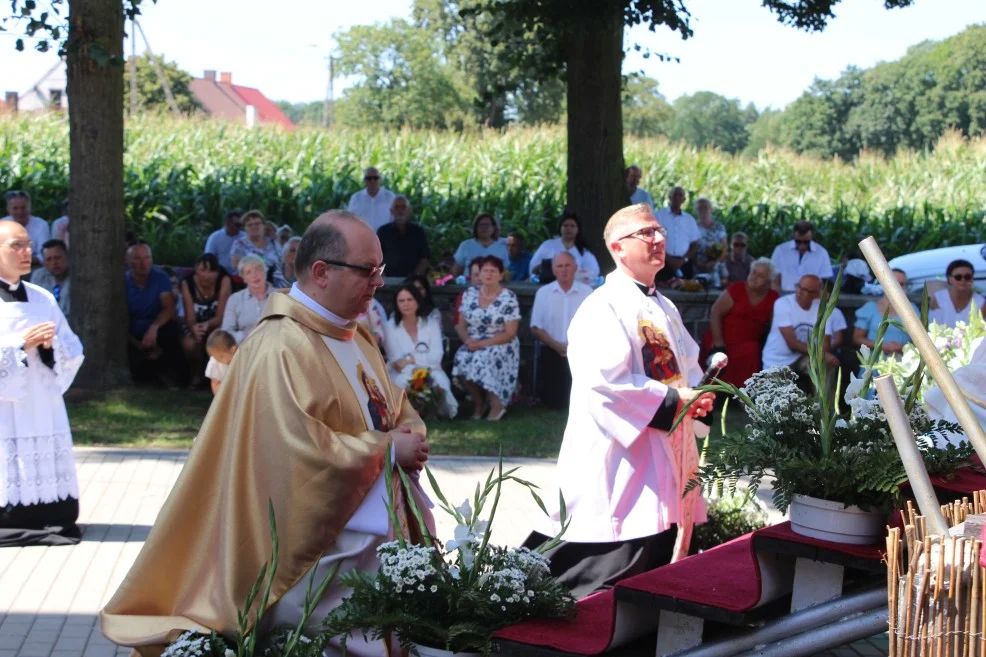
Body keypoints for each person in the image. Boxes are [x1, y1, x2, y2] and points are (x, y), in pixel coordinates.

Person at [101, 211, 433, 657]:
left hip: (373, 533)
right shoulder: (279, 346)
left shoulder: (357, 336)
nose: (378, 282)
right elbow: (293, 454)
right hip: (314, 555)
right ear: (321, 272)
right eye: (368, 271)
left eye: (380, 270)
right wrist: (388, 448)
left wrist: (409, 429)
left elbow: (391, 403)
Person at [523, 203, 714, 599]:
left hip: (666, 448)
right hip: (622, 456)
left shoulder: (665, 306)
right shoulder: (601, 307)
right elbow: (603, 384)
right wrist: (675, 401)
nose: (659, 238)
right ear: (617, 247)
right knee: (613, 558)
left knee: (661, 552)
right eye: (646, 233)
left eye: (660, 231)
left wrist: (698, 397)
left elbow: (687, 366)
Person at [0, 220, 84, 548]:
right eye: (16, 246)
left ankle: (51, 515)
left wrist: (52, 347)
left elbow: (73, 349)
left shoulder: (41, 297)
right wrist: (19, 347)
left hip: (41, 399)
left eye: (28, 245)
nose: (26, 252)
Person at [452, 255, 520, 421]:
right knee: (462, 358)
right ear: (479, 274)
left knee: (484, 358)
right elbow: (460, 325)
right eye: (485, 270)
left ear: (501, 275)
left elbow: (510, 332)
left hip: (501, 342)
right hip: (473, 341)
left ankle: (497, 404)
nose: (489, 274)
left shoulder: (508, 297)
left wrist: (482, 344)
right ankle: (479, 403)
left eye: (493, 271)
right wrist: (468, 340)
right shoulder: (469, 294)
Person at [384, 284, 458, 419]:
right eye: (401, 301)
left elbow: (436, 356)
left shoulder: (431, 324)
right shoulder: (389, 327)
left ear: (417, 301)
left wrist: (411, 360)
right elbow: (396, 361)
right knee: (404, 382)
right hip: (402, 373)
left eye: (410, 299)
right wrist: (417, 364)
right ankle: (412, 414)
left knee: (438, 381)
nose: (406, 304)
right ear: (396, 304)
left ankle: (432, 413)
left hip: (432, 369)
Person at [702, 258, 780, 387]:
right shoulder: (736, 288)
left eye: (760, 276)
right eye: (753, 272)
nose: (754, 277)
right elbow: (716, 312)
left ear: (769, 282)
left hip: (748, 341)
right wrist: (718, 342)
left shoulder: (773, 297)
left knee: (751, 351)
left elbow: (774, 326)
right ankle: (713, 392)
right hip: (721, 337)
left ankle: (740, 394)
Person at [529, 252, 592, 410]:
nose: (564, 270)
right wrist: (556, 345)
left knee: (577, 402)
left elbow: (594, 325)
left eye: (567, 265)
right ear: (553, 270)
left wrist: (575, 347)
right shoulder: (543, 293)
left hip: (581, 352)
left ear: (575, 268)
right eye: (559, 266)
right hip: (551, 350)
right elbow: (536, 327)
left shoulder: (588, 292)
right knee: (553, 403)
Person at [125, 242, 186, 385]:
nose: (143, 263)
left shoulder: (160, 277)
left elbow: (169, 308)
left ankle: (172, 376)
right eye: (137, 259)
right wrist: (137, 343)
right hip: (133, 334)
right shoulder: (122, 282)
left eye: (147, 258)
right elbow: (119, 320)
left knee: (172, 329)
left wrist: (154, 328)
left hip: (157, 330)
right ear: (128, 261)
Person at [761, 274, 840, 380]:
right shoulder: (783, 303)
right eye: (799, 286)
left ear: (816, 294)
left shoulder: (822, 309)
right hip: (778, 359)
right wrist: (821, 354)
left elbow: (825, 343)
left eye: (805, 290)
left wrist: (821, 355)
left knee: (825, 364)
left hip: (803, 357)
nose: (799, 292)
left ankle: (823, 397)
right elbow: (792, 343)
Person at [180, 253, 232, 386]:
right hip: (195, 324)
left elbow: (221, 315)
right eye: (203, 270)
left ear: (217, 272)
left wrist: (207, 324)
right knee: (190, 343)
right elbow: (189, 317)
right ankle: (196, 374)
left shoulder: (224, 280)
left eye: (211, 271)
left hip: (218, 323)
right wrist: (194, 328)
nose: (206, 275)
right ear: (196, 270)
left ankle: (219, 378)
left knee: (217, 339)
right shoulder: (187, 283)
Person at [529, 212, 601, 283]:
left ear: (578, 230)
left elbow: (593, 272)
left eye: (572, 226)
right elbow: (533, 266)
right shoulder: (548, 245)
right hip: (548, 286)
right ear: (560, 228)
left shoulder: (583, 251)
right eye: (565, 225)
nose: (568, 228)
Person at [769, 221, 833, 293]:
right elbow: (774, 278)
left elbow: (825, 280)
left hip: (811, 295)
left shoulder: (821, 253)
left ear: (812, 237)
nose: (802, 245)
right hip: (785, 294)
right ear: (794, 235)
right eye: (798, 242)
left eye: (806, 242)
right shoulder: (781, 250)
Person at [222, 255, 273, 343]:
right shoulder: (235, 299)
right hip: (245, 348)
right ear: (244, 279)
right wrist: (245, 335)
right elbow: (226, 332)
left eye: (258, 269)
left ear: (265, 271)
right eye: (248, 272)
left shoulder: (281, 295)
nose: (254, 275)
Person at [376, 195, 430, 278]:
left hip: (412, 282)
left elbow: (424, 259)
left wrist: (414, 277)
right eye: (396, 207)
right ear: (391, 211)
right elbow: (375, 259)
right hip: (387, 282)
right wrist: (383, 277)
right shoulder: (383, 232)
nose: (400, 211)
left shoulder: (418, 232)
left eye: (403, 207)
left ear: (409, 210)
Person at [654, 186, 700, 281]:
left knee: (686, 292)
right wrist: (668, 259)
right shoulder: (659, 216)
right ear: (670, 197)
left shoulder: (689, 220)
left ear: (684, 199)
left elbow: (695, 244)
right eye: (675, 194)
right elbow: (654, 240)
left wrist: (684, 260)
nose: (677, 197)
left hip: (684, 264)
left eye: (680, 195)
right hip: (663, 262)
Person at [930, 259, 985, 328]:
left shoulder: (981, 302)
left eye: (967, 277)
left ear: (972, 278)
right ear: (949, 278)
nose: (963, 280)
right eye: (958, 277)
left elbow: (980, 332)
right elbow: (933, 327)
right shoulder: (938, 299)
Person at [3, 190, 49, 267]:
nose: (20, 212)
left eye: (23, 208)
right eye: (15, 208)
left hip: (33, 268)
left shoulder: (41, 225)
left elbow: (44, 255)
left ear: (30, 208)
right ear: (8, 210)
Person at [30, 239, 71, 322]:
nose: (54, 263)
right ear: (44, 262)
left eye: (58, 258)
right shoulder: (39, 277)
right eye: (49, 259)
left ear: (67, 257)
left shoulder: (76, 278)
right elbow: (33, 307)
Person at [347, 166, 397, 232]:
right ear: (364, 180)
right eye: (369, 178)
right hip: (363, 237)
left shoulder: (390, 196)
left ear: (380, 179)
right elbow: (350, 220)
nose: (372, 181)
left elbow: (395, 218)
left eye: (375, 178)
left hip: (385, 238)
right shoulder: (356, 198)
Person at [692, 197, 728, 279]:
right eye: (699, 208)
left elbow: (725, 247)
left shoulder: (719, 227)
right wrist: (698, 263)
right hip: (698, 266)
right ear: (696, 211)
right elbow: (690, 247)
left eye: (705, 207)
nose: (703, 210)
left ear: (711, 209)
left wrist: (715, 262)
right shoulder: (693, 226)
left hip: (716, 266)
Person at [204, 329, 237, 395]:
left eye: (221, 356)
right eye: (216, 358)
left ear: (233, 349)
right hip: (224, 393)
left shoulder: (242, 359)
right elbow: (214, 383)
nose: (219, 361)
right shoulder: (214, 362)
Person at [452, 258, 483, 327]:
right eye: (476, 275)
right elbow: (458, 323)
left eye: (483, 274)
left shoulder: (504, 294)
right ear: (470, 277)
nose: (480, 278)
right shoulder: (463, 296)